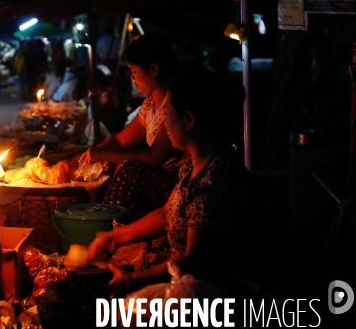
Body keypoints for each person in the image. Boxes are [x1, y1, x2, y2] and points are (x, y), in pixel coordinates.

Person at [88, 72, 253, 293]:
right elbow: (168, 213)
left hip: (210, 294)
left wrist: (133, 279)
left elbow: (194, 261)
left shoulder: (213, 183)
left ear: (188, 120)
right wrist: (115, 238)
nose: (163, 120)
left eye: (168, 112)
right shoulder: (193, 166)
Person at [77, 33, 185, 212]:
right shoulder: (150, 105)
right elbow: (119, 141)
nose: (131, 77)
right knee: (107, 164)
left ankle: (110, 223)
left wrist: (103, 154)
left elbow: (154, 157)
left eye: (134, 71)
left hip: (178, 182)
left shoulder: (174, 105)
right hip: (159, 178)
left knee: (128, 167)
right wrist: (84, 158)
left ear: (153, 69)